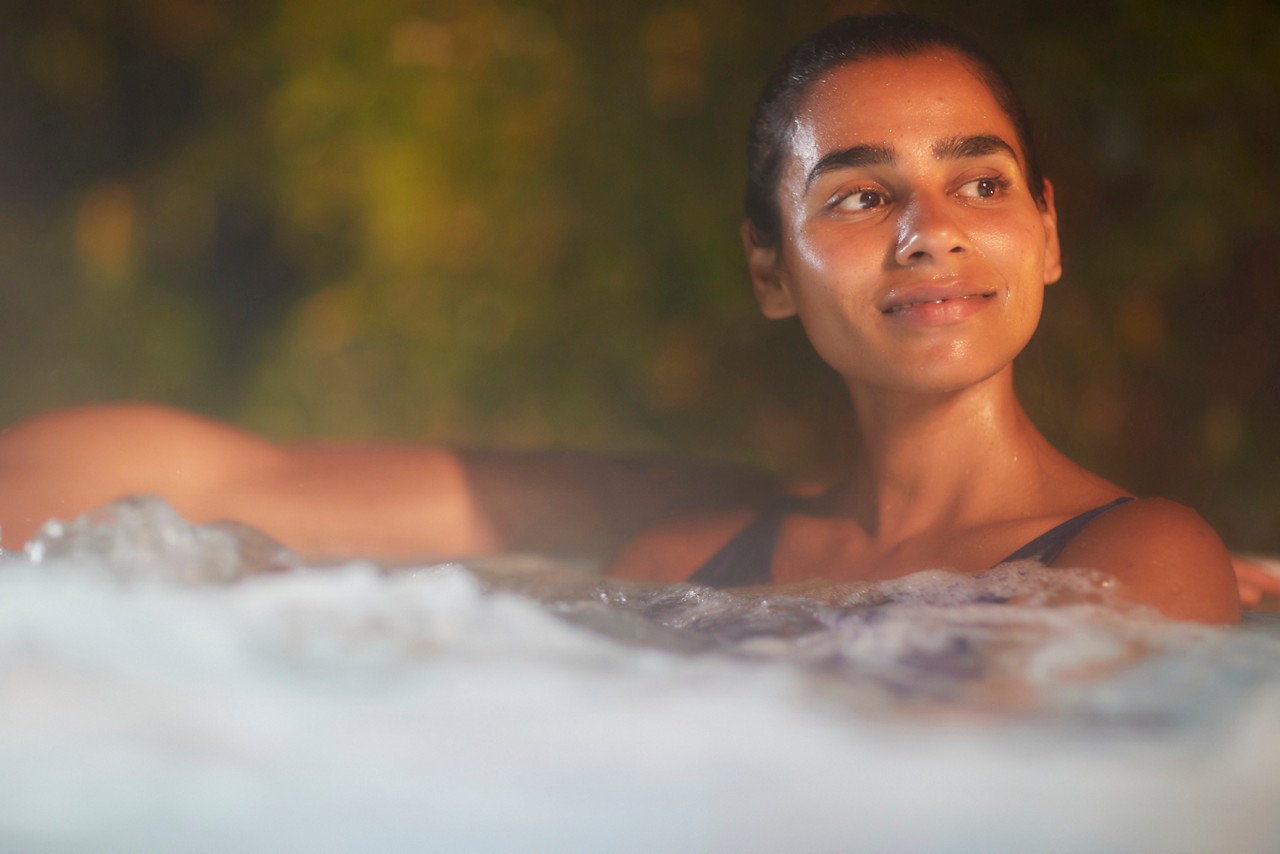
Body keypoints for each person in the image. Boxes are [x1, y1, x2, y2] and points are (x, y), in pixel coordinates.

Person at [0, 14, 1271, 622]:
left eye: (977, 181)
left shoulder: (1141, 549)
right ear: (769, 270)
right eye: (858, 192)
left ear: (1044, 234)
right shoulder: (687, 553)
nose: (924, 229)